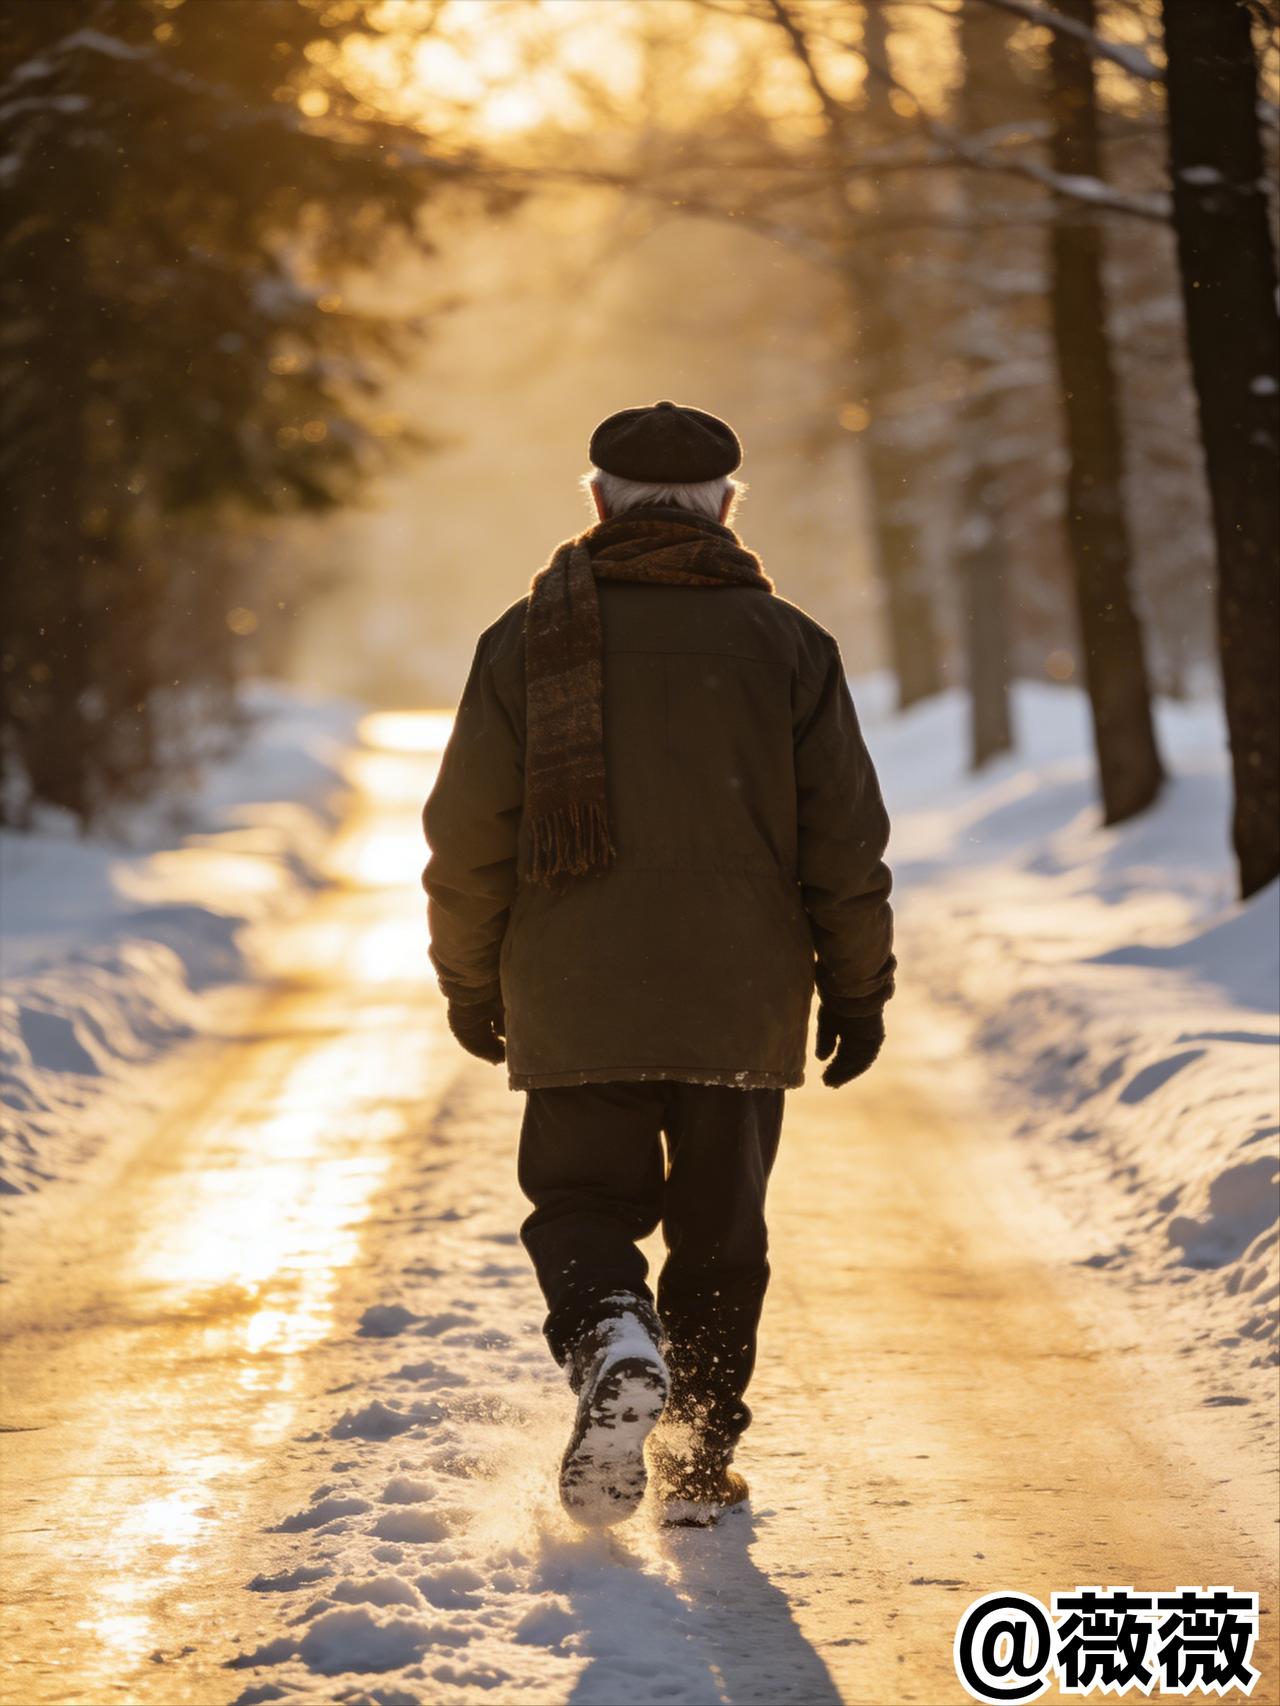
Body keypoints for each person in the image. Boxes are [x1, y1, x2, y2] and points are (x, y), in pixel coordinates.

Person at [422, 400, 894, 1528]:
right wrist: (859, 984)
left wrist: (468, 975)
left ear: (595, 503)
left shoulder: (528, 635)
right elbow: (845, 837)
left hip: (577, 989)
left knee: (581, 1202)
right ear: (727, 509)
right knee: (722, 1234)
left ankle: (609, 1334)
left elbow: (467, 830)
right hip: (739, 997)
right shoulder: (786, 642)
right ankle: (693, 1458)